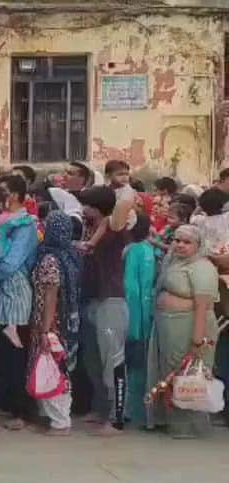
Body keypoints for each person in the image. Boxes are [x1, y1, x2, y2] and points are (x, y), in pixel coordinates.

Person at [147, 224, 221, 438]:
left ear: (198, 246)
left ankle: (189, 427)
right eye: (177, 240)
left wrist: (198, 340)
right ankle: (171, 421)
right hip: (169, 326)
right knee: (169, 372)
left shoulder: (203, 267)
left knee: (187, 374)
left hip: (191, 327)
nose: (179, 245)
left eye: (186, 242)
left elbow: (202, 305)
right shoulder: (174, 261)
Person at [77, 185, 133, 436]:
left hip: (111, 299)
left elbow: (125, 200)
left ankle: (117, 416)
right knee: (92, 359)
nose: (82, 209)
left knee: (113, 360)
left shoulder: (114, 227)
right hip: (92, 298)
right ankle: (100, 407)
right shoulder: (91, 228)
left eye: (86, 204)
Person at [29, 211, 84, 435]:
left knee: (51, 368)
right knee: (58, 368)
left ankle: (60, 422)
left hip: (51, 322)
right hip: (64, 320)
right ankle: (54, 416)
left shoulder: (50, 259)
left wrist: (45, 330)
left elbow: (51, 295)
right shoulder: (69, 255)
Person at [0, 176, 38, 429]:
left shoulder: (25, 225)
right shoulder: (3, 221)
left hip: (16, 289)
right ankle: (8, 403)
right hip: (2, 290)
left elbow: (11, 262)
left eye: (4, 192)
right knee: (5, 351)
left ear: (17, 195)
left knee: (16, 350)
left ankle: (21, 410)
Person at [122, 212, 159, 424]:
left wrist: (133, 322)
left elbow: (131, 288)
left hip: (134, 315)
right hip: (145, 314)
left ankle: (130, 409)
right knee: (141, 364)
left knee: (132, 363)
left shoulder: (134, 250)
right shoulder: (148, 249)